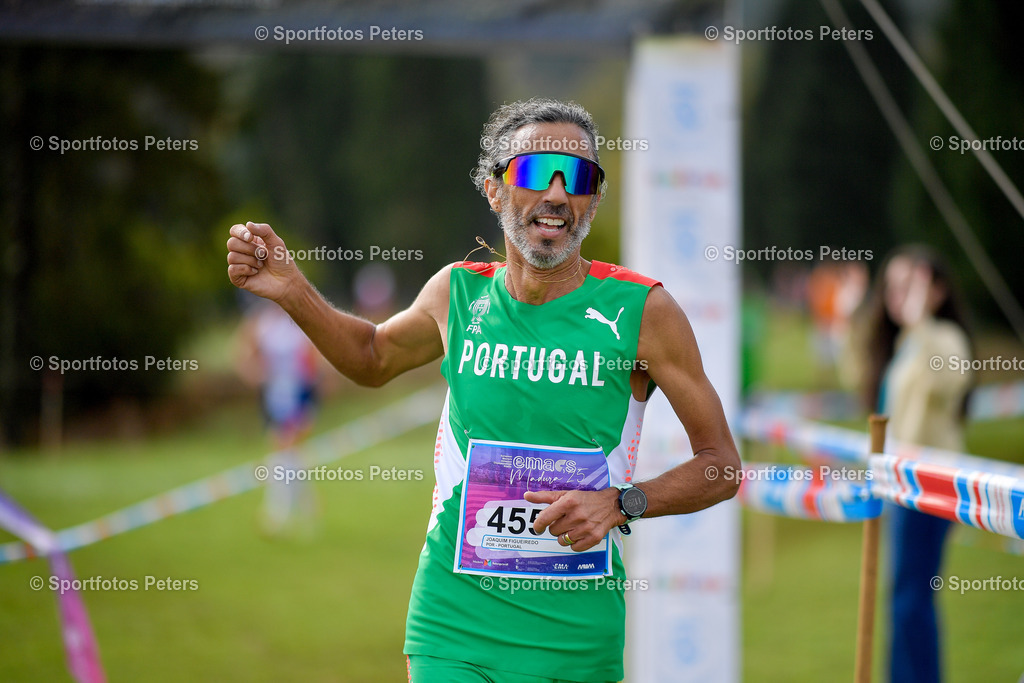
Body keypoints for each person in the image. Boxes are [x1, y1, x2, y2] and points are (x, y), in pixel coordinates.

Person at [225, 98, 740, 683]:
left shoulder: (644, 311)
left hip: (573, 638)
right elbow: (371, 359)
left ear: (593, 198)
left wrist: (622, 502)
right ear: (494, 190)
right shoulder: (457, 294)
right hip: (453, 621)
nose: (555, 196)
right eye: (531, 172)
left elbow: (721, 465)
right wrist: (293, 290)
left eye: (575, 177)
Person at [859, 245, 973, 683]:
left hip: (932, 486)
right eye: (892, 287)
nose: (897, 296)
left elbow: (950, 383)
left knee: (911, 601)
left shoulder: (943, 337)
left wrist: (922, 319)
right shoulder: (905, 342)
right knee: (902, 600)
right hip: (901, 487)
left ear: (938, 291)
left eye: (911, 286)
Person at [236, 299, 325, 536]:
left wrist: (312, 391)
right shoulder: (263, 323)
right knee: (288, 454)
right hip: (274, 397)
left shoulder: (300, 323)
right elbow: (244, 352)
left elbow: (313, 360)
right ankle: (305, 512)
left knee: (286, 451)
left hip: (299, 395)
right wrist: (255, 373)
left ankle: (278, 514)